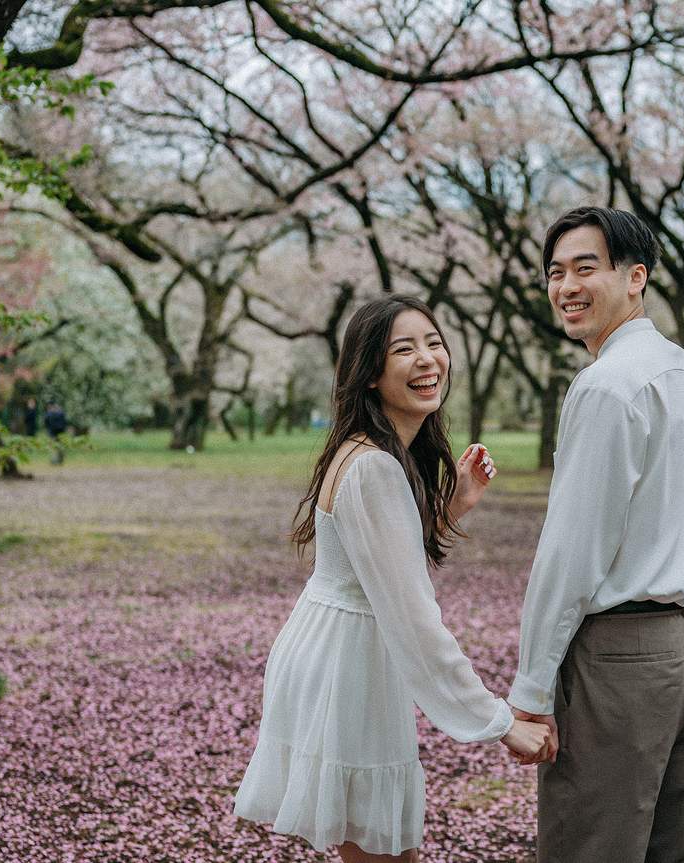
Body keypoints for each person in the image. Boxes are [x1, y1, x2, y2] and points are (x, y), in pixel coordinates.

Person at [233, 296, 551, 862]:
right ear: (371, 374)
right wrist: (499, 721)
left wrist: (451, 508)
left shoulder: (370, 452)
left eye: (434, 343)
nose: (427, 359)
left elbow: (377, 559)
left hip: (337, 649)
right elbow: (413, 618)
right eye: (403, 349)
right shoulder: (374, 467)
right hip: (349, 667)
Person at [508, 207, 684, 862]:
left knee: (592, 848)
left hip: (624, 659)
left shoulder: (606, 385)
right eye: (555, 272)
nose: (566, 286)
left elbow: (572, 552)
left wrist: (531, 691)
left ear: (636, 277)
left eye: (586, 268)